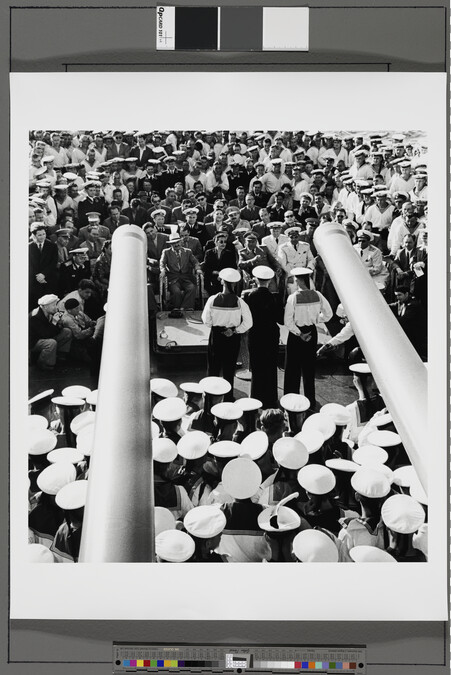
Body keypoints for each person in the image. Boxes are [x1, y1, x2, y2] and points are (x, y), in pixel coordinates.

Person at [283, 267, 333, 408]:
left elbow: (288, 321)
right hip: (311, 332)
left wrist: (299, 333)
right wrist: (317, 319)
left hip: (297, 334)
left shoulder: (293, 298)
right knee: (309, 367)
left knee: (292, 368)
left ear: (299, 281)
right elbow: (328, 314)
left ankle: (290, 399)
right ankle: (310, 400)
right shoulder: (318, 295)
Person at [201, 268, 253, 401]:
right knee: (229, 370)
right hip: (232, 337)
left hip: (217, 336)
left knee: (213, 368)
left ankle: (210, 398)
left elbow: (206, 321)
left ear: (222, 282)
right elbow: (248, 323)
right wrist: (235, 330)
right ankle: (228, 398)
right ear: (234, 284)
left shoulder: (212, 300)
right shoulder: (240, 302)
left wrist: (217, 326)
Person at [241, 266, 283, 409]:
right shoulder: (274, 297)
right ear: (270, 280)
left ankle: (256, 397)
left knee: (257, 367)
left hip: (256, 334)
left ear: (256, 279)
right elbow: (280, 318)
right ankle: (271, 398)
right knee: (271, 367)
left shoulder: (249, 296)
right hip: (271, 334)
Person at [159, 232, 202, 317]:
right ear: (171, 244)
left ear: (181, 242)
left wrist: (198, 269)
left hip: (186, 277)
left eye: (177, 242)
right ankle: (176, 309)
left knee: (192, 287)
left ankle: (186, 308)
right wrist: (163, 270)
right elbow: (162, 263)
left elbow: (195, 262)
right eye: (173, 243)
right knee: (176, 291)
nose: (176, 244)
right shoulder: (166, 252)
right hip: (173, 278)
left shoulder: (188, 252)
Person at [29, 294, 73, 370]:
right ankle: (44, 363)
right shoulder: (35, 316)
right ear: (45, 306)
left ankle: (58, 355)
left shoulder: (48, 313)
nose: (56, 307)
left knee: (67, 332)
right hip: (33, 342)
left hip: (45, 337)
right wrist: (54, 322)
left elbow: (51, 331)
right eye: (54, 305)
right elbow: (45, 334)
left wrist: (58, 324)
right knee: (51, 343)